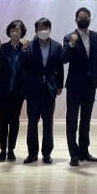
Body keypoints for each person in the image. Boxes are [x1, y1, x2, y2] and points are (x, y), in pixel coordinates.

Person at [62, 7, 97, 167]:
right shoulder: (69, 37)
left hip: (90, 85)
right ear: (76, 20)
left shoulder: (95, 36)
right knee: (72, 121)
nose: (83, 20)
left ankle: (84, 152)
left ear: (90, 19)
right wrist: (71, 44)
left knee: (86, 121)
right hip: (74, 85)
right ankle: (74, 154)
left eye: (86, 17)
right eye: (81, 18)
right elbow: (64, 59)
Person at [21, 17, 64, 164]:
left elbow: (60, 68)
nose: (43, 31)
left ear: (50, 30)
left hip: (49, 89)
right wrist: (23, 50)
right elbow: (23, 65)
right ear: (35, 30)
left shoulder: (57, 46)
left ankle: (47, 153)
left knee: (48, 123)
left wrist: (59, 85)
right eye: (40, 28)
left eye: (46, 28)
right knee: (32, 122)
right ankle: (32, 153)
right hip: (33, 89)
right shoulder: (29, 46)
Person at [0, 20, 27, 162]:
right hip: (3, 90)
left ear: (22, 32)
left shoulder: (25, 48)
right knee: (3, 120)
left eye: (18, 30)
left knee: (14, 120)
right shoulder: (3, 47)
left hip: (18, 90)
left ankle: (11, 149)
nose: (15, 33)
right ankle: (2, 150)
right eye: (12, 30)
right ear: (9, 32)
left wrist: (25, 50)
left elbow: (28, 65)